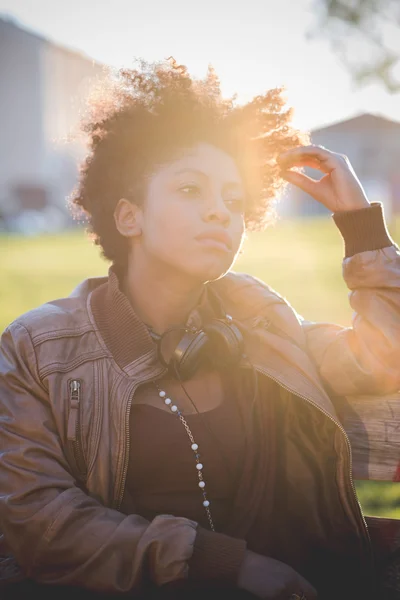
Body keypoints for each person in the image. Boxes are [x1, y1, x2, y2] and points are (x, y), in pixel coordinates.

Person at [0, 59, 399, 600]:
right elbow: (41, 519)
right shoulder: (38, 348)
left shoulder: (260, 315)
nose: (220, 213)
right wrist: (229, 565)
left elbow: (384, 360)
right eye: (191, 191)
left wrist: (360, 223)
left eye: (234, 201)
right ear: (128, 217)